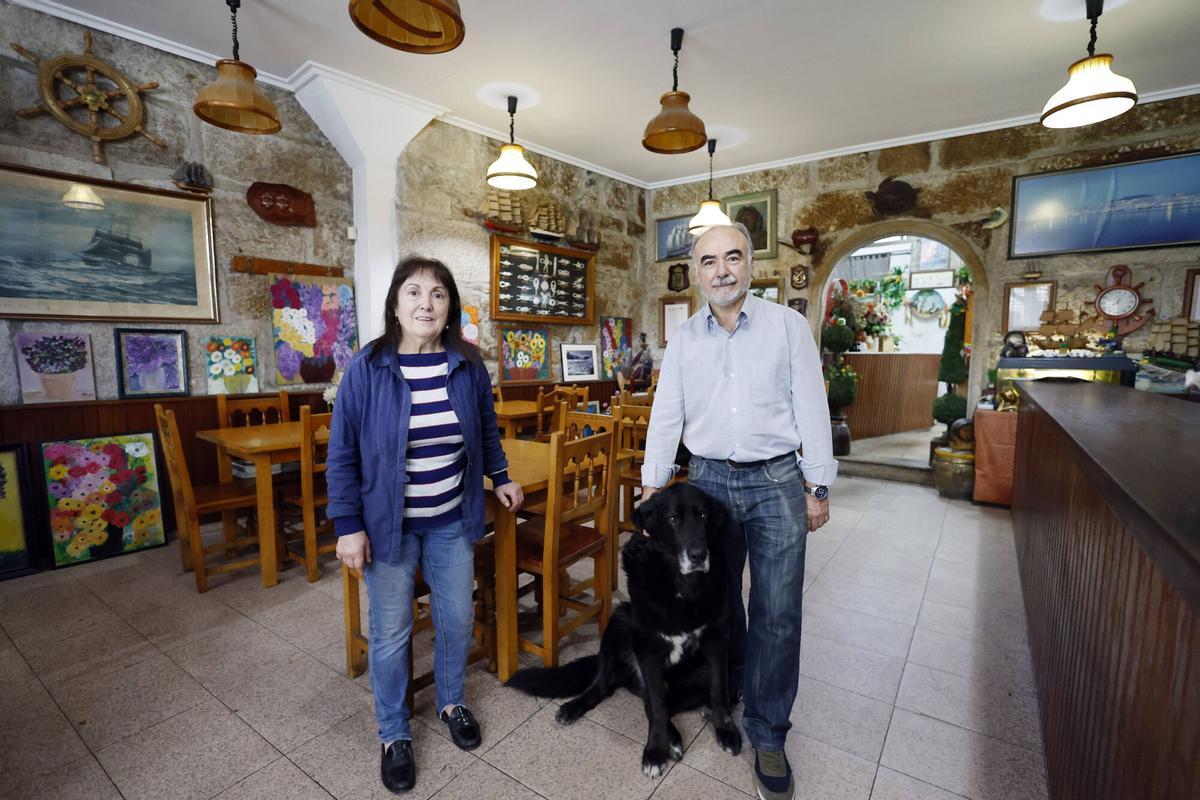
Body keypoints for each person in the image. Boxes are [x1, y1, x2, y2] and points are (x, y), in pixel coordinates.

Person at [640, 223, 835, 800]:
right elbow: (665, 414)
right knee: (720, 604)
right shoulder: (685, 340)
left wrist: (817, 486)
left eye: (732, 258)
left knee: (777, 609)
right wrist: (653, 488)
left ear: (751, 263)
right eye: (708, 261)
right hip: (708, 483)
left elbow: (812, 406)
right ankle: (734, 685)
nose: (721, 270)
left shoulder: (787, 327)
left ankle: (769, 733)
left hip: (777, 479)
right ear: (696, 271)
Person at [327, 256, 524, 794]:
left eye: (437, 296)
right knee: (391, 634)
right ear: (395, 303)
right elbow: (342, 453)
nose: (425, 304)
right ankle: (393, 733)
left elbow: (484, 428)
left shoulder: (466, 363)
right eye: (413, 293)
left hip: (451, 518)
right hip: (387, 526)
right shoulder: (368, 368)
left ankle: (452, 700)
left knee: (456, 619)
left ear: (449, 308)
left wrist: (500, 475)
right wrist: (348, 525)